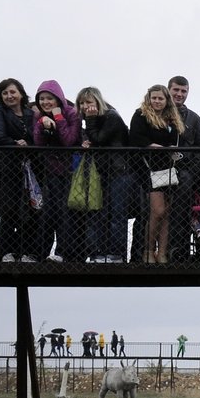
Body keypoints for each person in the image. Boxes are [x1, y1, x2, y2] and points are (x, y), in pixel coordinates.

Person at [129, 85, 185, 264]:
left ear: (166, 100)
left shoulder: (172, 118)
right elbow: (136, 138)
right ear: (149, 98)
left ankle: (162, 252)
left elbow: (175, 139)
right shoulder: (141, 115)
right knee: (157, 210)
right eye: (154, 98)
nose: (157, 101)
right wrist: (153, 146)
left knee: (167, 212)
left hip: (167, 167)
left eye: (160, 98)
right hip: (147, 166)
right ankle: (147, 250)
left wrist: (170, 149)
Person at [76, 86, 131, 264]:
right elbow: (93, 139)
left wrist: (90, 123)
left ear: (98, 102)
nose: (85, 106)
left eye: (89, 102)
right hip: (102, 172)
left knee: (117, 214)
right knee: (100, 213)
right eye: (82, 103)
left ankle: (117, 254)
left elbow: (100, 139)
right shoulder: (92, 119)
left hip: (119, 171)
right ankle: (99, 252)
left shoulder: (111, 116)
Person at [31, 80, 83, 262]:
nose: (46, 102)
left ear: (58, 98)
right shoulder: (39, 116)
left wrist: (58, 119)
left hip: (71, 171)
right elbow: (38, 143)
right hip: (50, 171)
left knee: (65, 212)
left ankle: (63, 253)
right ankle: (40, 254)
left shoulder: (72, 113)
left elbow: (69, 140)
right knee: (48, 213)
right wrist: (40, 123)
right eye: (42, 99)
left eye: (49, 98)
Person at [0, 78, 36, 262]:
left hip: (29, 169)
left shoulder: (29, 113)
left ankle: (24, 251)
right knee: (8, 210)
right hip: (7, 167)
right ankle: (5, 252)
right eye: (5, 93)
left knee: (29, 210)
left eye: (12, 92)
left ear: (21, 94)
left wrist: (29, 143)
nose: (9, 96)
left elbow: (35, 136)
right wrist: (16, 143)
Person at [165, 76, 200, 263]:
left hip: (185, 173)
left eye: (183, 91)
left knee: (181, 213)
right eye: (176, 90)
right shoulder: (157, 112)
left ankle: (179, 251)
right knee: (154, 213)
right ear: (168, 90)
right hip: (158, 170)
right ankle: (147, 252)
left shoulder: (195, 118)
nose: (179, 94)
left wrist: (191, 170)